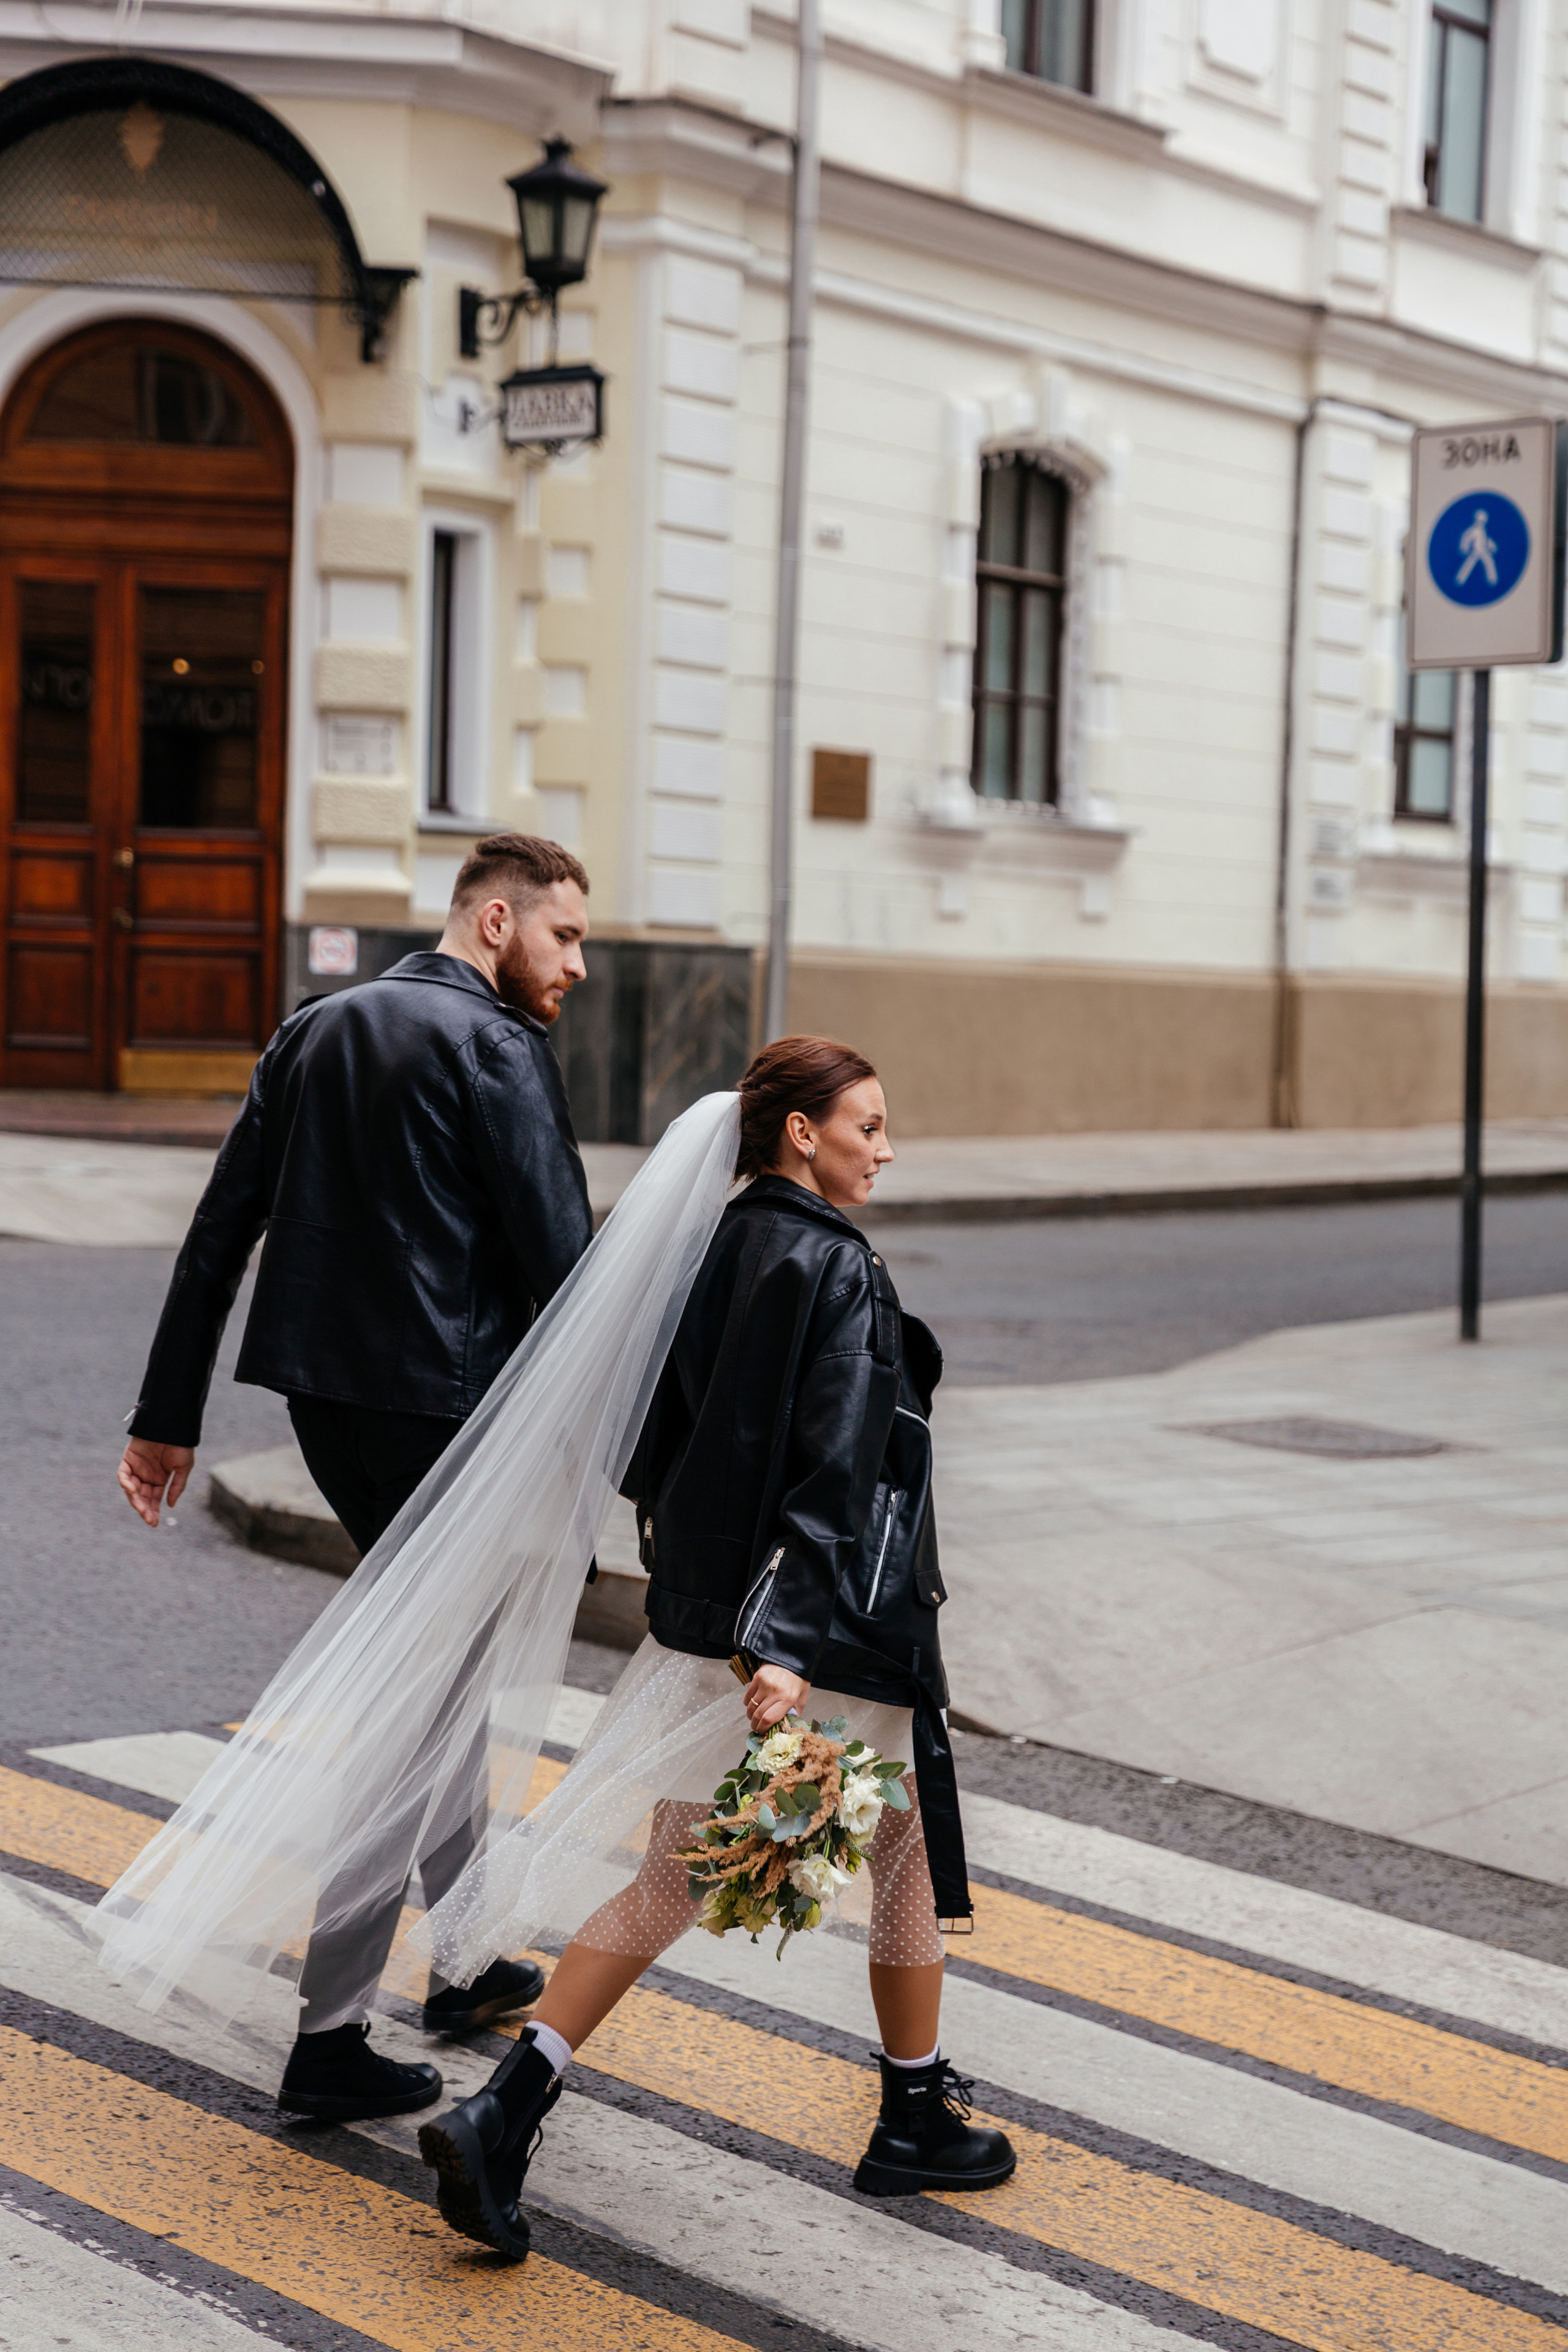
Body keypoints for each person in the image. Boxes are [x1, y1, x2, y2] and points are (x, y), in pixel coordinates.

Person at [414, 1035, 1016, 2261]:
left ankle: (506, 2104)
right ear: (802, 1132)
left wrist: (719, 1605)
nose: (884, 1148)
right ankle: (912, 2114)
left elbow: (651, 1446)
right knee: (897, 1858)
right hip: (817, 1638)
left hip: (704, 1621)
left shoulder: (709, 1247)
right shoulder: (837, 1268)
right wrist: (785, 1645)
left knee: (667, 1881)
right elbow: (832, 1472)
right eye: (867, 1124)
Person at [114, 832, 595, 2123]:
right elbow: (567, 1273)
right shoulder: (497, 1050)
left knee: (433, 1682)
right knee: (419, 1703)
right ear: (495, 922)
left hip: (334, 1410)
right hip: (453, 1417)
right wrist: (629, 1457)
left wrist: (168, 1416)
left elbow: (223, 1228)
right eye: (564, 938)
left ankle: (469, 1956)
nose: (578, 967)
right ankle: (329, 2036)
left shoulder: (315, 1027)